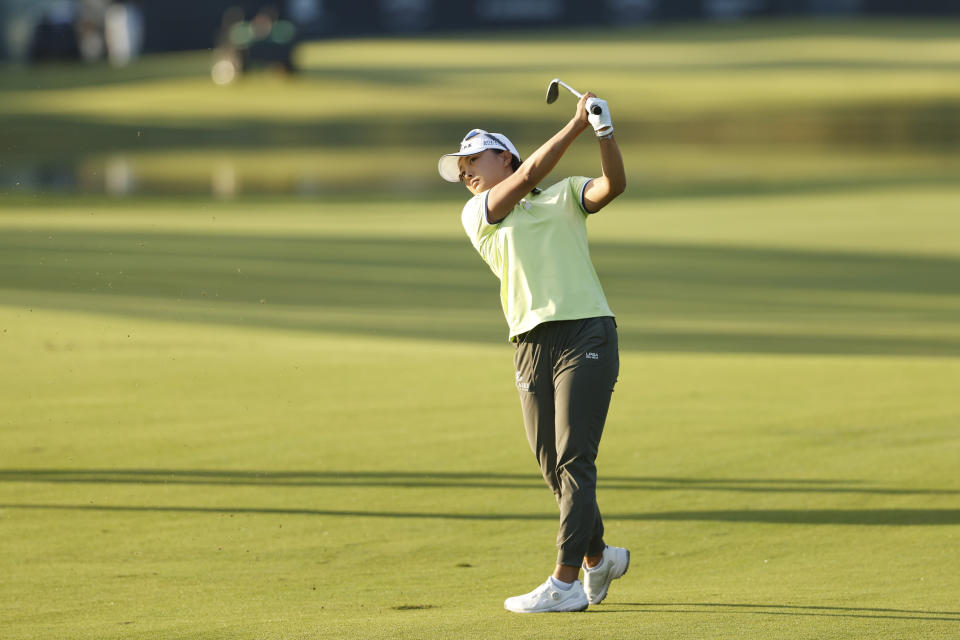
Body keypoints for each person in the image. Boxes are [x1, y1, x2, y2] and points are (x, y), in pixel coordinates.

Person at [437, 91, 629, 613]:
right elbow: (522, 183)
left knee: (574, 457)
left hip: (586, 332)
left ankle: (565, 584)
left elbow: (613, 186)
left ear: (505, 155)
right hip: (528, 343)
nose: (466, 173)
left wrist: (603, 133)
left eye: (473, 160)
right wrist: (575, 127)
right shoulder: (478, 213)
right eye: (461, 168)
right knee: (553, 466)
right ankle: (599, 558)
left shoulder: (563, 194)